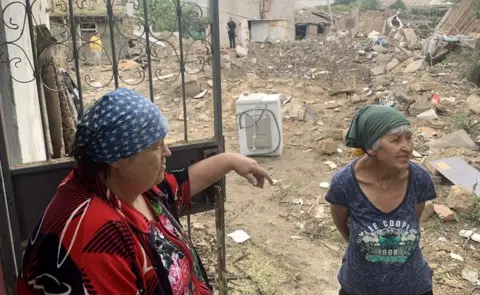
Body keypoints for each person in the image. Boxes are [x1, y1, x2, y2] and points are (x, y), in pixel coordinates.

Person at [17, 88, 273, 295]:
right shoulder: (96, 241)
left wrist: (231, 161)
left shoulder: (127, 185)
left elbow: (182, 184)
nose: (167, 153)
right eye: (155, 146)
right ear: (118, 158)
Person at [325, 105, 436, 295]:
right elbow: (345, 229)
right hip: (360, 287)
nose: (407, 147)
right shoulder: (345, 183)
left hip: (413, 286)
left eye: (408, 138)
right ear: (371, 147)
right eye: (395, 140)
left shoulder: (419, 179)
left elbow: (412, 223)